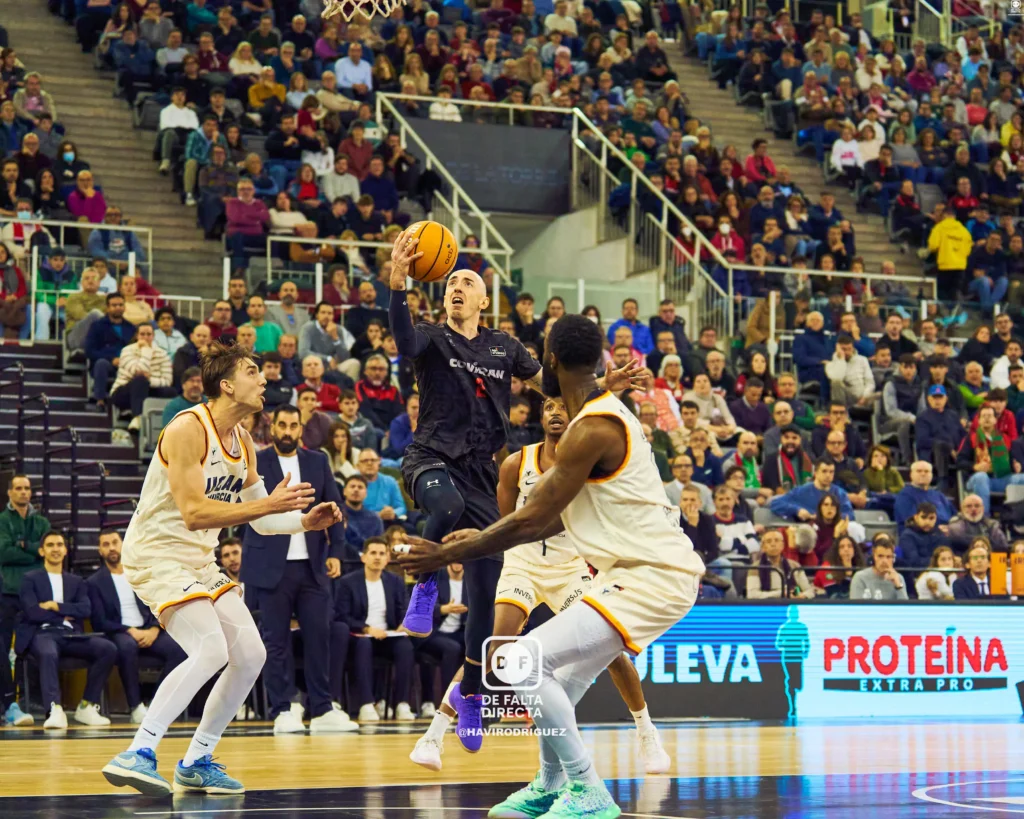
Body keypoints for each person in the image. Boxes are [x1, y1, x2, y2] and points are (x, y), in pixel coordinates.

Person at [399, 313, 704, 819]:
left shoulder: (593, 430)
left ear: (551, 360)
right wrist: (477, 540)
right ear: (600, 359)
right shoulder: (597, 418)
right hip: (638, 572)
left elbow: (530, 519)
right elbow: (544, 524)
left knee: (518, 661)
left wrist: (445, 553)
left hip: (652, 575)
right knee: (556, 679)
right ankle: (548, 783)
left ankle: (588, 792)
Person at [101, 342, 342, 796]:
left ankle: (197, 759)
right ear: (227, 384)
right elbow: (193, 512)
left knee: (251, 654)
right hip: (157, 552)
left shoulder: (245, 442)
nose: (264, 378)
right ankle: (139, 750)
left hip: (197, 559)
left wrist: (304, 523)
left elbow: (265, 519)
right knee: (211, 648)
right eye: (254, 371)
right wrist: (267, 505)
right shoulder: (187, 429)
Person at [410, 397, 672, 775]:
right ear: (541, 416)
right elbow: (507, 523)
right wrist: (480, 537)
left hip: (570, 567)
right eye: (549, 407)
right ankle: (432, 736)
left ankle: (647, 732)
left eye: (563, 407)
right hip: (522, 562)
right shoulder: (518, 463)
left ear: (578, 416)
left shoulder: (593, 466)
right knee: (493, 643)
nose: (555, 413)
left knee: (611, 646)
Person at [241, 404, 352, 734]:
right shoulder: (257, 460)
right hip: (270, 563)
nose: (288, 430)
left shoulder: (318, 461)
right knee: (276, 640)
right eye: (282, 425)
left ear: (301, 429)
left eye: (293, 425)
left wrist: (337, 551)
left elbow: (336, 506)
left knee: (320, 637)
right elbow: (247, 509)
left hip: (313, 564)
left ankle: (321, 708)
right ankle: (283, 708)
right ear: (272, 427)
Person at [17, 530, 118, 728]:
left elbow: (85, 609)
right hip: (42, 633)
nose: (56, 549)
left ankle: (87, 706)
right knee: (48, 651)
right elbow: (32, 613)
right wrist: (66, 613)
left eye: (59, 545)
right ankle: (54, 709)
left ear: (65, 551)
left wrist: (55, 606)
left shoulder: (77, 581)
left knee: (108, 648)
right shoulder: (30, 579)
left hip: (71, 634)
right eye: (50, 545)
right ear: (41, 551)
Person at [87, 530, 187, 725]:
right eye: (106, 544)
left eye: (115, 542)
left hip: (149, 629)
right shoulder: (94, 582)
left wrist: (154, 629)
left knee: (180, 649)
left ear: (124, 544)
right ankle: (135, 707)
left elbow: (158, 606)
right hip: (119, 632)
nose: (112, 548)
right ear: (100, 550)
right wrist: (130, 630)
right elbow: (99, 621)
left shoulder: (142, 575)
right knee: (127, 647)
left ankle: (157, 703)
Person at [336, 537, 416, 722]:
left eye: (382, 554)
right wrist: (366, 628)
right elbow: (342, 615)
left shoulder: (395, 582)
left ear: (388, 558)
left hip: (387, 635)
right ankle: (366, 704)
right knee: (364, 645)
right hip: (359, 636)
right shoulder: (348, 582)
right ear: (363, 557)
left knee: (405, 647)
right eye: (373, 553)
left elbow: (403, 609)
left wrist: (404, 623)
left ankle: (402, 703)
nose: (377, 558)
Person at [0, 474, 47, 727]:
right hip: (7, 593)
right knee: (5, 650)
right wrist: (30, 550)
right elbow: (3, 552)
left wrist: (21, 546)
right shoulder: (2, 521)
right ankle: (9, 704)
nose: (23, 492)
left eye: (27, 488)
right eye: (18, 488)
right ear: (9, 492)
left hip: (34, 594)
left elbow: (45, 553)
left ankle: (38, 701)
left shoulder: (41, 521)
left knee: (31, 647)